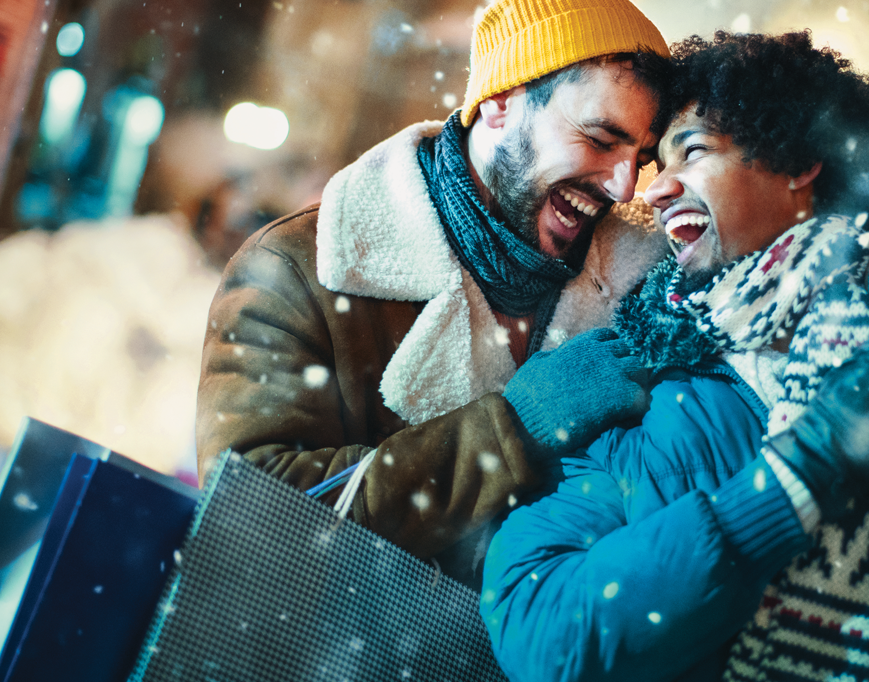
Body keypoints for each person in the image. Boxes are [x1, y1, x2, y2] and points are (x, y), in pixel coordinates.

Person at [480, 31, 869, 682]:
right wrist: (788, 489)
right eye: (657, 165)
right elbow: (539, 626)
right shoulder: (650, 372)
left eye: (690, 152)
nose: (657, 189)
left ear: (799, 162)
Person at [195, 0, 673, 589]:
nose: (624, 185)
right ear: (501, 102)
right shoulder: (300, 267)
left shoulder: (643, 289)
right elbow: (251, 519)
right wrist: (515, 430)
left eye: (640, 158)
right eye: (601, 139)